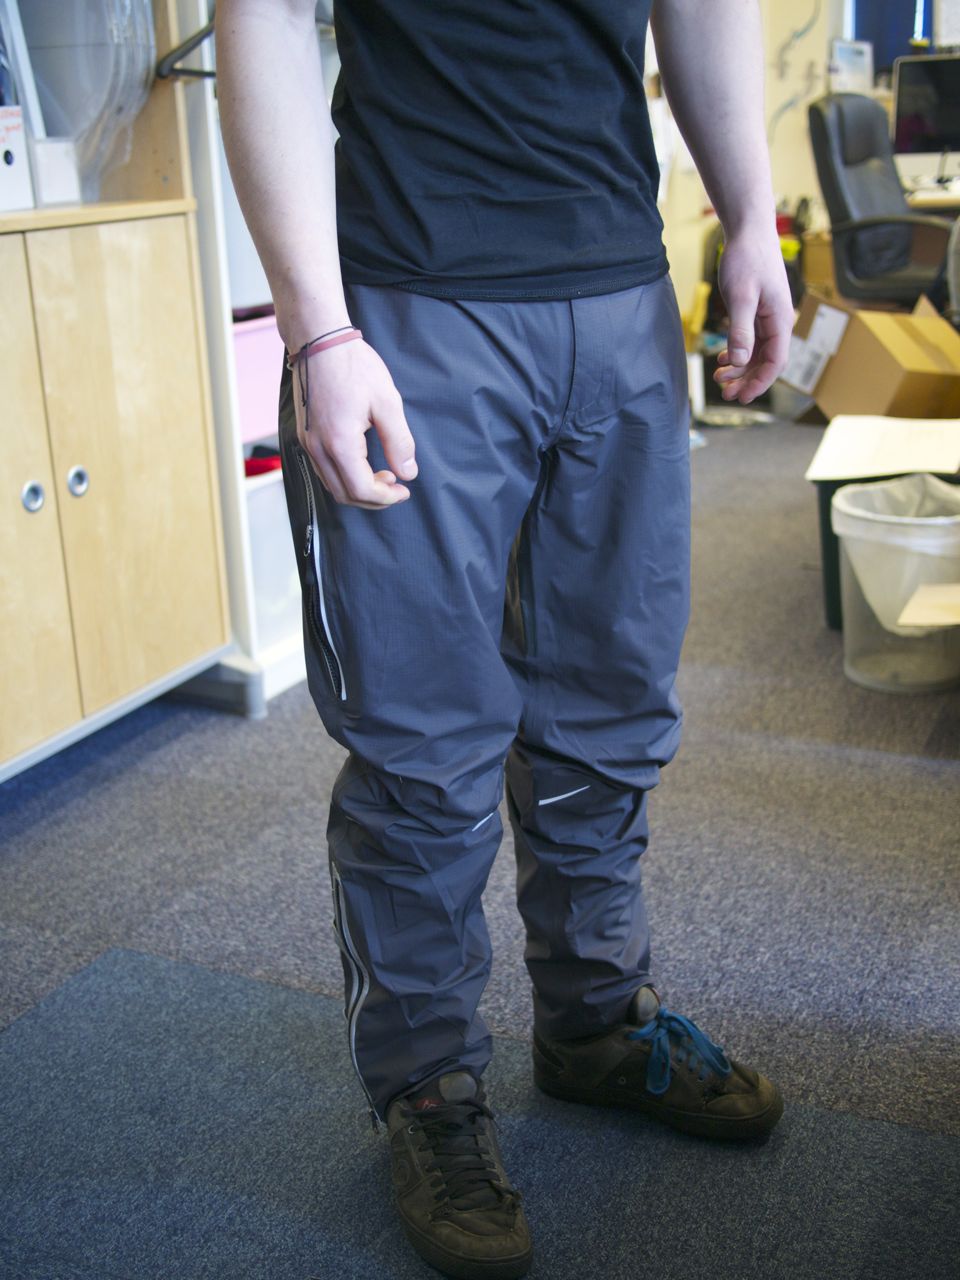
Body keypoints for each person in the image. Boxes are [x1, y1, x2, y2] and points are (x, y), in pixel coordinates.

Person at [217, 2, 794, 1276]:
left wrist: (750, 214)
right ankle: (427, 1084)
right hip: (412, 300)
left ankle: (596, 1023)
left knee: (610, 707)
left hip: (621, 290)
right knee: (423, 745)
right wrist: (318, 330)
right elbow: (262, 19)